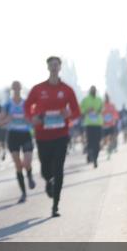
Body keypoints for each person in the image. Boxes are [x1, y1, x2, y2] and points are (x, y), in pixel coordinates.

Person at [25, 56, 81, 218]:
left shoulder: (67, 90)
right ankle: (48, 181)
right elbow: (27, 106)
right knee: (45, 169)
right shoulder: (38, 89)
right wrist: (32, 118)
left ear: (60, 67)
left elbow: (76, 111)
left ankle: (55, 206)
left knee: (59, 169)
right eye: (52, 65)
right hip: (42, 135)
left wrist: (68, 113)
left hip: (61, 135)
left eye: (57, 65)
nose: (54, 67)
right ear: (48, 68)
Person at [0, 81, 36, 203]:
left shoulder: (27, 103)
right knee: (17, 164)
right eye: (14, 88)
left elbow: (34, 121)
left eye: (18, 88)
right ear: (12, 89)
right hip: (13, 135)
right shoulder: (7, 105)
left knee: (27, 161)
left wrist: (28, 119)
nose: (16, 90)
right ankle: (23, 193)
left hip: (25, 134)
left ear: (21, 89)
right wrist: (7, 119)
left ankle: (30, 175)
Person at [80, 86, 104, 168]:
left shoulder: (99, 99)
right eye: (92, 90)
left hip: (98, 124)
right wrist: (87, 110)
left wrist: (99, 111)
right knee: (90, 142)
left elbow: (103, 109)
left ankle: (95, 159)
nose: (93, 91)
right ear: (90, 91)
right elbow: (80, 109)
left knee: (97, 143)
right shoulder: (85, 100)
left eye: (94, 90)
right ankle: (90, 155)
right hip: (89, 124)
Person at [102, 93, 119, 158]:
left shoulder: (112, 105)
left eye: (107, 98)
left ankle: (109, 150)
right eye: (106, 98)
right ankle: (108, 148)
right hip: (104, 125)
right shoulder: (102, 106)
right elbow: (100, 114)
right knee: (106, 140)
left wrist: (114, 119)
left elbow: (116, 114)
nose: (107, 99)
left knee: (112, 138)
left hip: (111, 124)